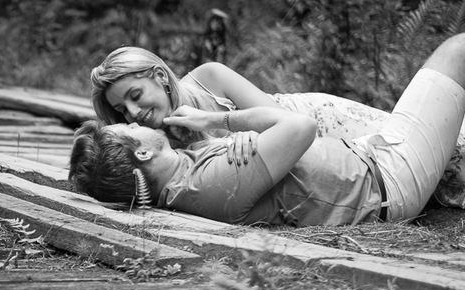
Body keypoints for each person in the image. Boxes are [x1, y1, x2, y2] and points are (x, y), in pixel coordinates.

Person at [68, 34, 465, 227]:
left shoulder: (182, 162)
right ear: (141, 154)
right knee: (455, 53)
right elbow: (292, 134)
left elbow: (287, 121)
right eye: (122, 116)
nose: (133, 117)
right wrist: (219, 125)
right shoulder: (197, 179)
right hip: (375, 174)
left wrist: (235, 133)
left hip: (338, 136)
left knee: (454, 142)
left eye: (134, 99)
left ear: (158, 76)